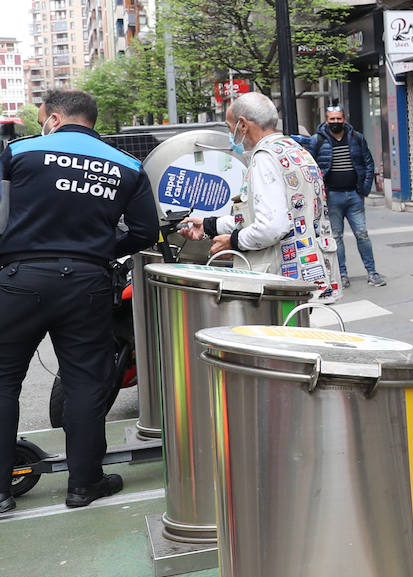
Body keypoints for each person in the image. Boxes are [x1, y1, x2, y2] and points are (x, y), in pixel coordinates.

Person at [0, 89, 159, 512]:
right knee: (86, 381)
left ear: (54, 118)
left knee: (3, 380)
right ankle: (84, 484)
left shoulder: (18, 152)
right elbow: (145, 232)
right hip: (87, 280)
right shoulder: (127, 165)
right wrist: (101, 249)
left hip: (19, 278)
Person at [182, 92, 340, 302]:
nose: (231, 136)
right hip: (310, 272)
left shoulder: (265, 158)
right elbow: (265, 216)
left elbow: (271, 227)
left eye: (230, 128)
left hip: (283, 280)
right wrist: (208, 225)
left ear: (243, 125)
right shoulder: (295, 150)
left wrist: (233, 242)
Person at [305, 104, 385, 288]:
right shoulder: (317, 140)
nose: (336, 122)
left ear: (344, 119)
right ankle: (342, 275)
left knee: (362, 235)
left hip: (355, 196)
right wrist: (319, 194)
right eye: (332, 119)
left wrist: (364, 189)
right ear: (326, 120)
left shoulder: (356, 138)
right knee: (336, 237)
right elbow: (309, 167)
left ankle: (372, 273)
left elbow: (368, 163)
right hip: (332, 197)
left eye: (338, 119)